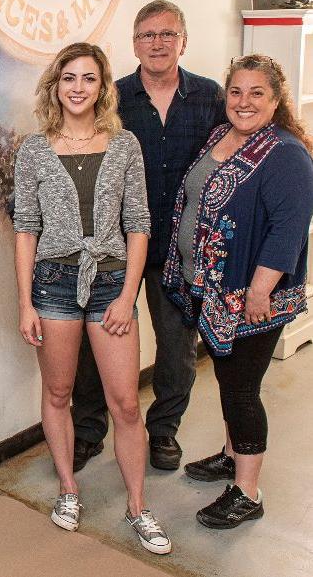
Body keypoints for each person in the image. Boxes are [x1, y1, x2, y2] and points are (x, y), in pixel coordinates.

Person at [13, 42, 170, 554]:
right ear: (55, 86)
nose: (78, 88)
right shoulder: (34, 151)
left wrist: (127, 296)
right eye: (68, 78)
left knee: (125, 403)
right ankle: (68, 488)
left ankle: (138, 506)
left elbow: (139, 225)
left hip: (109, 284)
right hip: (53, 284)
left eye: (88, 78)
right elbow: (25, 230)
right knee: (58, 394)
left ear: (103, 86)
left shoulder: (123, 145)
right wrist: (25, 303)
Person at [70, 0, 226, 473]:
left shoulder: (209, 97)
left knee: (177, 348)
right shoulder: (113, 97)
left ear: (184, 41)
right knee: (96, 340)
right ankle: (87, 431)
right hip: (114, 248)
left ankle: (163, 432)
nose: (157, 43)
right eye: (147, 35)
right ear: (134, 43)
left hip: (180, 250)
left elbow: (231, 161)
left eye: (167, 34)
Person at [162, 54, 313, 529]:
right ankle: (232, 455)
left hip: (251, 299)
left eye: (256, 94)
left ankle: (247, 492)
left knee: (241, 390)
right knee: (229, 381)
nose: (244, 102)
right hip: (213, 290)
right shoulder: (222, 136)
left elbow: (289, 230)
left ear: (275, 100)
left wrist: (259, 291)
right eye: (236, 92)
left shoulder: (285, 153)